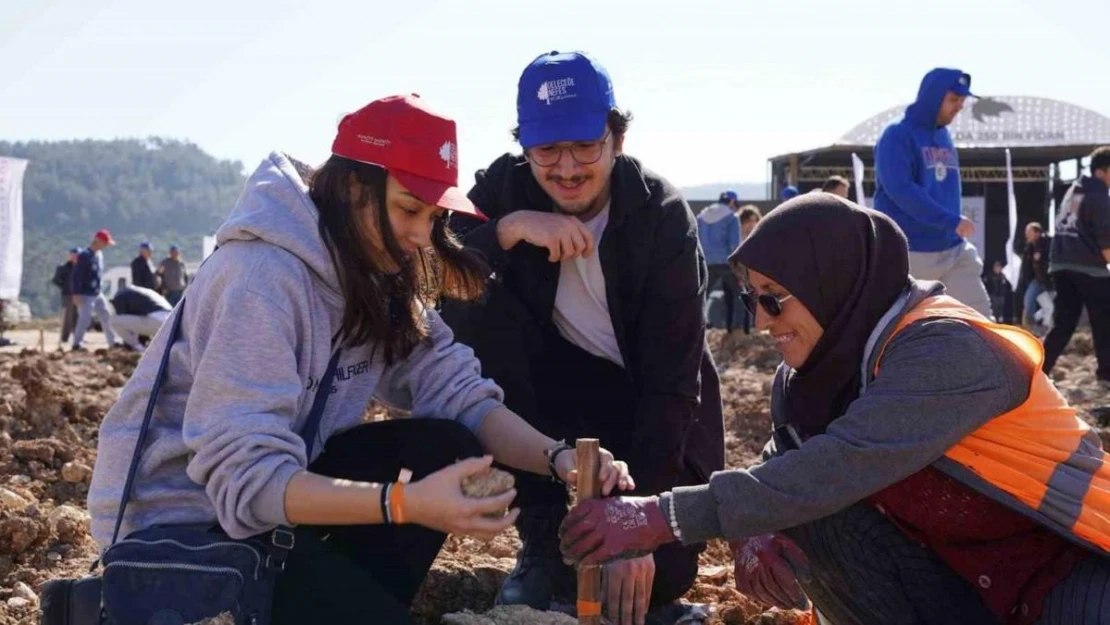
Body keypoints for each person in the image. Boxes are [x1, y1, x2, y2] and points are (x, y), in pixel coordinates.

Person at [87, 94, 633, 625]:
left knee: (446, 445)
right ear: (354, 188)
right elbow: (247, 481)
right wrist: (405, 503)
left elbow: (459, 393)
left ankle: (349, 603)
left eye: (432, 214)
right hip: (185, 532)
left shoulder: (376, 271)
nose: (421, 236)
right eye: (407, 209)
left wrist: (559, 458)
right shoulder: (261, 280)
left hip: (274, 505)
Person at [560, 194, 1110, 625]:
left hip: (1066, 569)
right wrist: (754, 533)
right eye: (752, 299)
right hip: (966, 584)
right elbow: (786, 466)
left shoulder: (948, 347)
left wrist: (661, 517)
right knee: (804, 511)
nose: (761, 321)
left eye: (775, 297)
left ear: (833, 282)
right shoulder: (806, 380)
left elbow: (842, 462)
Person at [441, 51, 724, 625]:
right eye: (547, 150)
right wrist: (511, 228)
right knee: (477, 307)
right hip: (552, 403)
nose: (567, 168)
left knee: (658, 576)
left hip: (653, 405)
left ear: (616, 139)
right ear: (526, 148)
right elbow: (440, 269)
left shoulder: (661, 214)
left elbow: (673, 386)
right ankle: (542, 537)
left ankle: (635, 569)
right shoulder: (504, 188)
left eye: (585, 147)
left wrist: (636, 525)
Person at [872, 68, 993, 318]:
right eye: (953, 100)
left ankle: (1001, 358)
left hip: (953, 249)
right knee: (897, 332)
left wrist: (951, 227)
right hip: (909, 253)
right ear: (933, 97)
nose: (959, 106)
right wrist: (950, 220)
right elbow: (901, 190)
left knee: (982, 324)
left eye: (962, 101)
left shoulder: (943, 135)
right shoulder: (897, 135)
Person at [1043, 146, 1110, 384]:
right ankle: (1106, 374)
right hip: (1088, 266)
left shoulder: (1074, 189)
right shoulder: (1099, 194)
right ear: (1103, 172)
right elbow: (1105, 239)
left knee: (1063, 324)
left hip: (1061, 263)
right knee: (1104, 321)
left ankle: (1039, 370)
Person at [698, 190, 743, 332]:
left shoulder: (701, 216)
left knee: (702, 296)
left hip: (706, 262)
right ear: (731, 202)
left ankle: (701, 326)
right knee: (737, 295)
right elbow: (734, 245)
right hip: (726, 262)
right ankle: (736, 328)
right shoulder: (732, 217)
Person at [70, 229, 117, 351]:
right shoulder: (85, 255)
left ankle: (112, 342)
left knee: (106, 314)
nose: (106, 246)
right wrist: (76, 293)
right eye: (105, 243)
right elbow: (77, 275)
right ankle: (77, 343)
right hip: (85, 293)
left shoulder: (99, 255)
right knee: (85, 319)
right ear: (98, 241)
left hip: (97, 292)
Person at [109, 284, 172, 352]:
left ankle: (139, 348)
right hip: (171, 322)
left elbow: (124, 317)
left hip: (158, 322)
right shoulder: (145, 291)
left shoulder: (120, 296)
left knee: (114, 321)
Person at [1016, 223, 1051, 330]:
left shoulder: (1047, 244)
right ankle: (1032, 325)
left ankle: (1037, 325)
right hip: (1036, 280)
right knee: (1029, 301)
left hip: (1047, 280)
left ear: (1037, 233)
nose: (1027, 235)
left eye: (1029, 232)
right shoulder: (1029, 247)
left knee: (1049, 306)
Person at [51, 247, 79, 344]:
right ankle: (64, 337)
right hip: (67, 295)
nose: (75, 257)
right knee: (67, 316)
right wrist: (65, 286)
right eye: (73, 255)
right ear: (70, 256)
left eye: (77, 255)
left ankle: (78, 337)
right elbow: (56, 280)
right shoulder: (63, 267)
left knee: (77, 316)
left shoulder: (81, 267)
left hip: (79, 294)